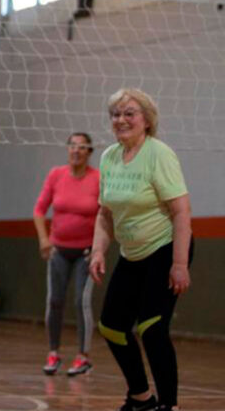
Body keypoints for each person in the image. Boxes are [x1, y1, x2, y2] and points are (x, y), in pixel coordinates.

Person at [90, 88, 193, 411]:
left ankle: (168, 405)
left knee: (152, 327)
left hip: (165, 248)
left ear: (146, 120)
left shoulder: (159, 154)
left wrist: (179, 264)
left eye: (129, 113)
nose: (121, 120)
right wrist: (98, 251)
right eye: (115, 114)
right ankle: (141, 398)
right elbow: (105, 213)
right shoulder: (109, 157)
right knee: (111, 327)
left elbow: (181, 211)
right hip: (131, 254)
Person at [32, 132, 100, 376]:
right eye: (72, 146)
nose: (76, 151)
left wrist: (98, 249)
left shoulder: (98, 178)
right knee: (54, 300)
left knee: (81, 302)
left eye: (82, 147)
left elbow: (105, 216)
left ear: (89, 152)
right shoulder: (56, 175)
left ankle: (83, 356)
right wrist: (44, 240)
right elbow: (39, 210)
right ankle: (53, 352)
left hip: (86, 252)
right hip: (58, 249)